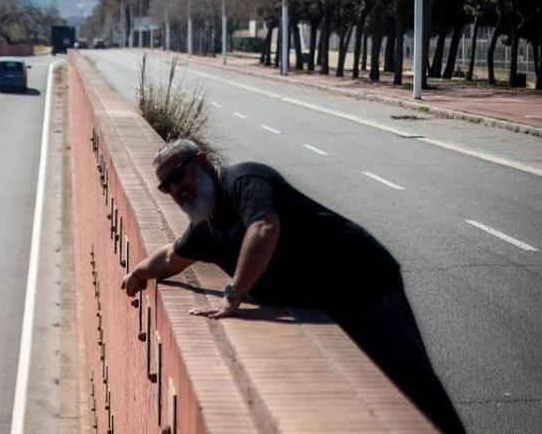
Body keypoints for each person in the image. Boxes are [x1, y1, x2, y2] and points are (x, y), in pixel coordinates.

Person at [120, 138, 464, 433]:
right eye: (166, 186)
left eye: (178, 175)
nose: (176, 190)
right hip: (328, 303)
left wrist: (234, 293)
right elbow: (170, 257)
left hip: (365, 283)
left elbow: (264, 228)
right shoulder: (207, 226)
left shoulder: (245, 180)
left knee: (413, 385)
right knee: (379, 397)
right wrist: (138, 274)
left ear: (203, 162)